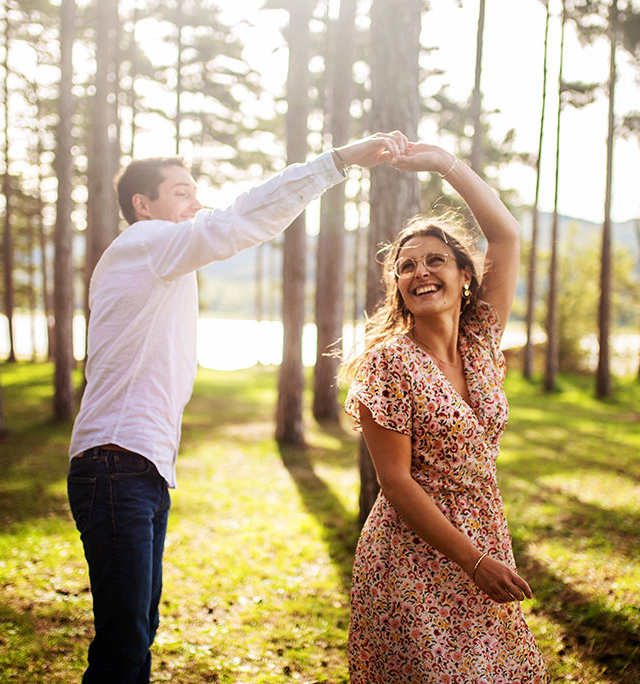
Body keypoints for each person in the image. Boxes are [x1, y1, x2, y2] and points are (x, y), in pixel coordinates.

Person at [66, 131, 406, 683]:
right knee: (124, 643)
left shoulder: (160, 263)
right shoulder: (146, 243)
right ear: (143, 206)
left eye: (195, 191)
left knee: (135, 633)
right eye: (182, 192)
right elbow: (243, 219)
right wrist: (339, 161)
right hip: (115, 464)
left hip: (138, 468)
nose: (196, 202)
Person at [343, 141, 549, 681]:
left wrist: (443, 164)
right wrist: (474, 563)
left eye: (436, 260)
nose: (420, 272)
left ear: (465, 276)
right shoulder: (387, 364)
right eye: (406, 266)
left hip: (486, 535)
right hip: (411, 556)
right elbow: (396, 483)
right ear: (398, 289)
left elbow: (505, 234)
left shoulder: (482, 339)